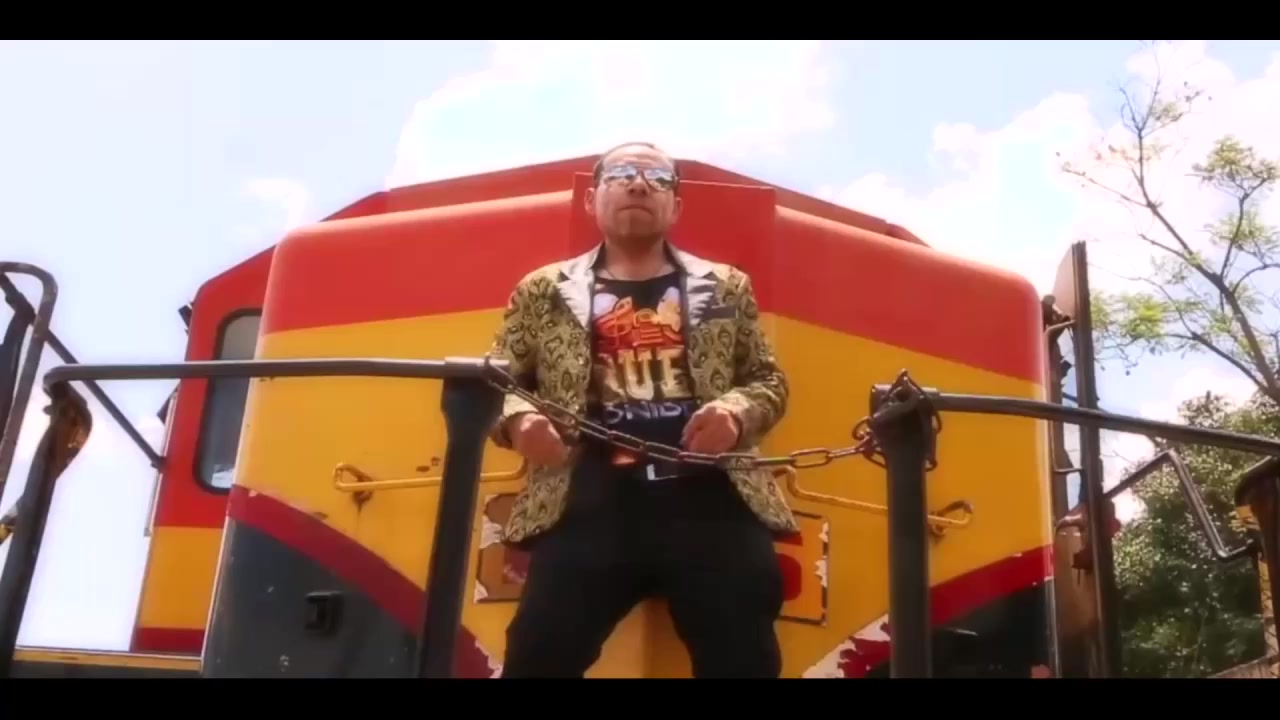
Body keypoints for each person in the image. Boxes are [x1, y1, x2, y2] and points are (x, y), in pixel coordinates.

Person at [486, 141, 798, 678]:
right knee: (537, 656)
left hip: (710, 502)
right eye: (621, 174)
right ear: (592, 199)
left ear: (676, 206)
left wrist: (734, 414)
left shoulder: (727, 286)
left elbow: (767, 380)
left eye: (657, 178)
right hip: (586, 502)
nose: (638, 184)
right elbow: (495, 380)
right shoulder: (542, 290)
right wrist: (519, 421)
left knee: (743, 659)